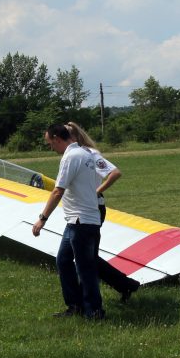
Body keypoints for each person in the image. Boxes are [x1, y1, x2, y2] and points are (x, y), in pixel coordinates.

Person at [32, 124, 105, 320]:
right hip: (78, 220)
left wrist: (42, 219)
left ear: (57, 138)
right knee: (63, 261)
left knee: (85, 268)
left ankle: (94, 311)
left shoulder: (71, 157)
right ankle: (75, 306)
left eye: (50, 144)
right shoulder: (85, 154)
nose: (51, 148)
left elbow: (58, 191)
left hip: (81, 221)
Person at [66, 122, 140, 302]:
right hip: (80, 210)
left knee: (87, 258)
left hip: (93, 209)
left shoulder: (90, 154)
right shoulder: (74, 155)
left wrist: (96, 191)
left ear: (74, 137)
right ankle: (125, 285)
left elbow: (114, 173)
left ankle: (123, 286)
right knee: (85, 257)